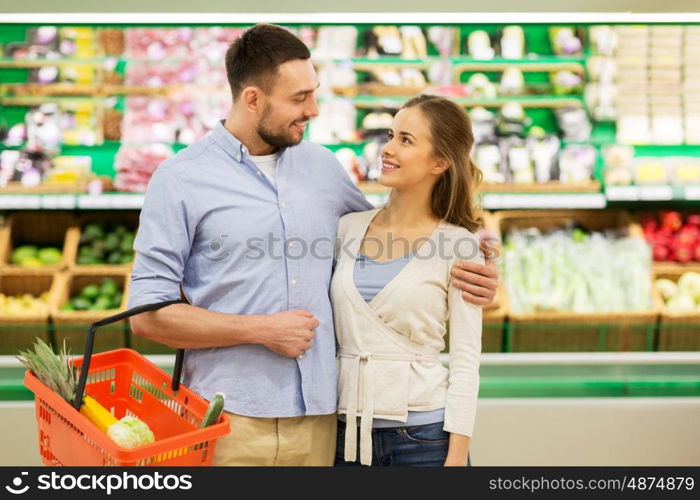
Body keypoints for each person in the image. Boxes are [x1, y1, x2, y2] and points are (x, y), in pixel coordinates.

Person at [127, 24, 498, 466]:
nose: (314, 109)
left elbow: (395, 239)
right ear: (253, 99)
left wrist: (475, 276)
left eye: (314, 93)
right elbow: (148, 316)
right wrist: (261, 329)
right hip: (230, 420)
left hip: (326, 423)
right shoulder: (180, 179)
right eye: (299, 98)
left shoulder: (323, 168)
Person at [332, 95, 483, 467]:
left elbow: (466, 361)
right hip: (344, 435)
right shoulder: (346, 229)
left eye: (406, 140)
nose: (388, 149)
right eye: (390, 135)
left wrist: (457, 457)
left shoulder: (457, 244)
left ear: (440, 162)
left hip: (424, 439)